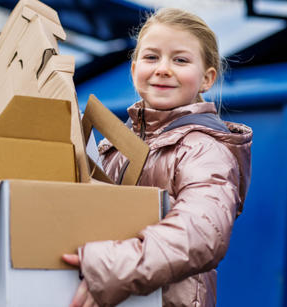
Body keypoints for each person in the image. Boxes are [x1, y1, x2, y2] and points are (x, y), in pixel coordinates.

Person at [62, 7, 252, 307]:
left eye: (180, 60)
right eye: (152, 57)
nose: (163, 68)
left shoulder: (203, 148)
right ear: (134, 69)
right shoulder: (113, 146)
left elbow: (203, 232)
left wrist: (112, 268)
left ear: (207, 78)